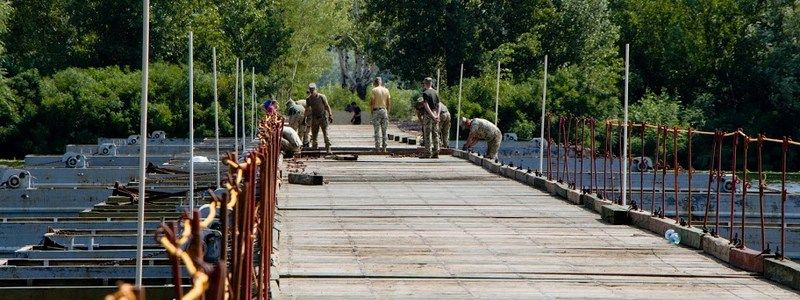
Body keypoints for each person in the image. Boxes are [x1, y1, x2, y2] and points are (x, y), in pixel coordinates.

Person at [303, 83, 333, 154]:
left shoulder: (322, 97)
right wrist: (304, 118)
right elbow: (307, 109)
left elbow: (327, 106)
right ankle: (314, 149)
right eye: (311, 90)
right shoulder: (308, 99)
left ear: (316, 90)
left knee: (326, 134)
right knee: (314, 135)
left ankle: (328, 149)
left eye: (313, 90)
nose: (312, 91)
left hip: (323, 118)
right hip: (315, 118)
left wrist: (330, 115)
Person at [420, 77, 441, 158]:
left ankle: (428, 153)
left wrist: (431, 115)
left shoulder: (425, 93)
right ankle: (436, 152)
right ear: (431, 83)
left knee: (427, 134)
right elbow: (439, 104)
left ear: (425, 84)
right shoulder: (436, 92)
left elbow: (426, 105)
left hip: (429, 114)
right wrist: (437, 115)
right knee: (435, 133)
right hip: (436, 113)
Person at [370, 77, 391, 152]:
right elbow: (389, 102)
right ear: (381, 82)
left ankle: (377, 148)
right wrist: (387, 112)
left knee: (377, 130)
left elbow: (372, 101)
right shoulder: (386, 90)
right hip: (384, 110)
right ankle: (384, 148)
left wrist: (372, 111)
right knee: (384, 131)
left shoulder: (374, 90)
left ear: (375, 83)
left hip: (376, 110)